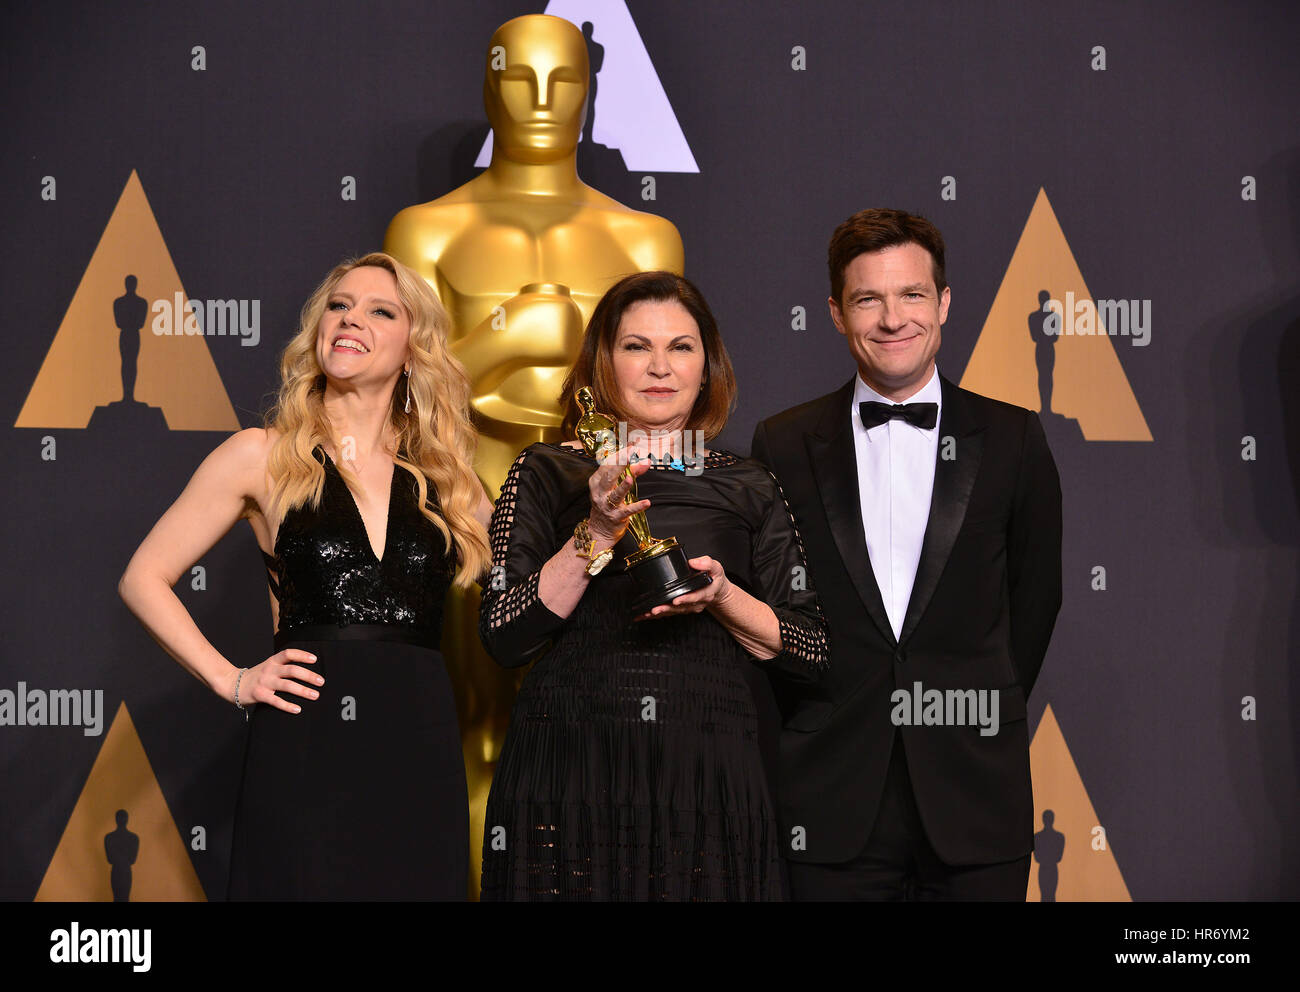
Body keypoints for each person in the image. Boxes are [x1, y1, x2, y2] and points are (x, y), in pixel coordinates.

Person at [117, 252, 493, 900]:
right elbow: (143, 577)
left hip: (419, 744)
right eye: (339, 306)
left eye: (381, 311)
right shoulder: (260, 456)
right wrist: (231, 679)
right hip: (306, 740)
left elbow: (529, 590)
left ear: (414, 347)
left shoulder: (447, 481)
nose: (350, 320)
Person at [477, 270, 829, 900]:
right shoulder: (546, 469)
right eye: (636, 346)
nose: (659, 366)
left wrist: (722, 596)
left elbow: (809, 649)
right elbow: (504, 635)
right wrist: (598, 531)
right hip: (571, 765)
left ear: (707, 367)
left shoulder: (750, 483)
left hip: (708, 774)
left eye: (681, 347)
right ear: (602, 364)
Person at [750, 209, 1063, 900]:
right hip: (830, 798)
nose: (893, 319)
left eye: (912, 295)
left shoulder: (1013, 438)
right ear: (836, 313)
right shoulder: (782, 443)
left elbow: (1036, 599)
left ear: (944, 302)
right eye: (868, 299)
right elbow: (770, 613)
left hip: (977, 798)